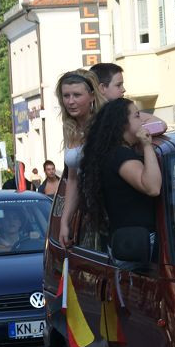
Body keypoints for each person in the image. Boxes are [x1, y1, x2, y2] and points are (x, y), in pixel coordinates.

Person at [78, 98, 161, 252]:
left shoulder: (115, 152)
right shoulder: (120, 156)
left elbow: (161, 125)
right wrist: (147, 146)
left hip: (133, 243)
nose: (142, 120)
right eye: (136, 116)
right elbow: (153, 187)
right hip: (139, 247)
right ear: (123, 123)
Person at [57, 69, 107, 248]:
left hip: (108, 213)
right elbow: (73, 179)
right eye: (66, 96)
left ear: (92, 96)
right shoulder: (70, 127)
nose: (70, 101)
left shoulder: (105, 122)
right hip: (86, 216)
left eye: (77, 95)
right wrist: (65, 221)